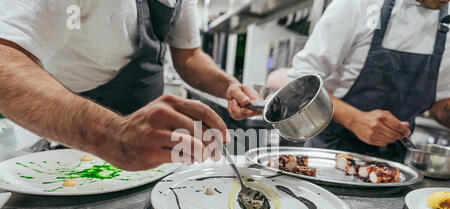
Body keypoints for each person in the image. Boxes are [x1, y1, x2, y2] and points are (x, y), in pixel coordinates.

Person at [0, 0, 260, 170]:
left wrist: (228, 85)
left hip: (149, 152)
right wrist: (112, 134)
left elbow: (189, 56)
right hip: (70, 148)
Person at [289, 0, 450, 161]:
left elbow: (440, 101)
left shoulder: (446, 22)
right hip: (331, 156)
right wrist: (353, 119)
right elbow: (301, 80)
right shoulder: (358, 4)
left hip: (395, 165)